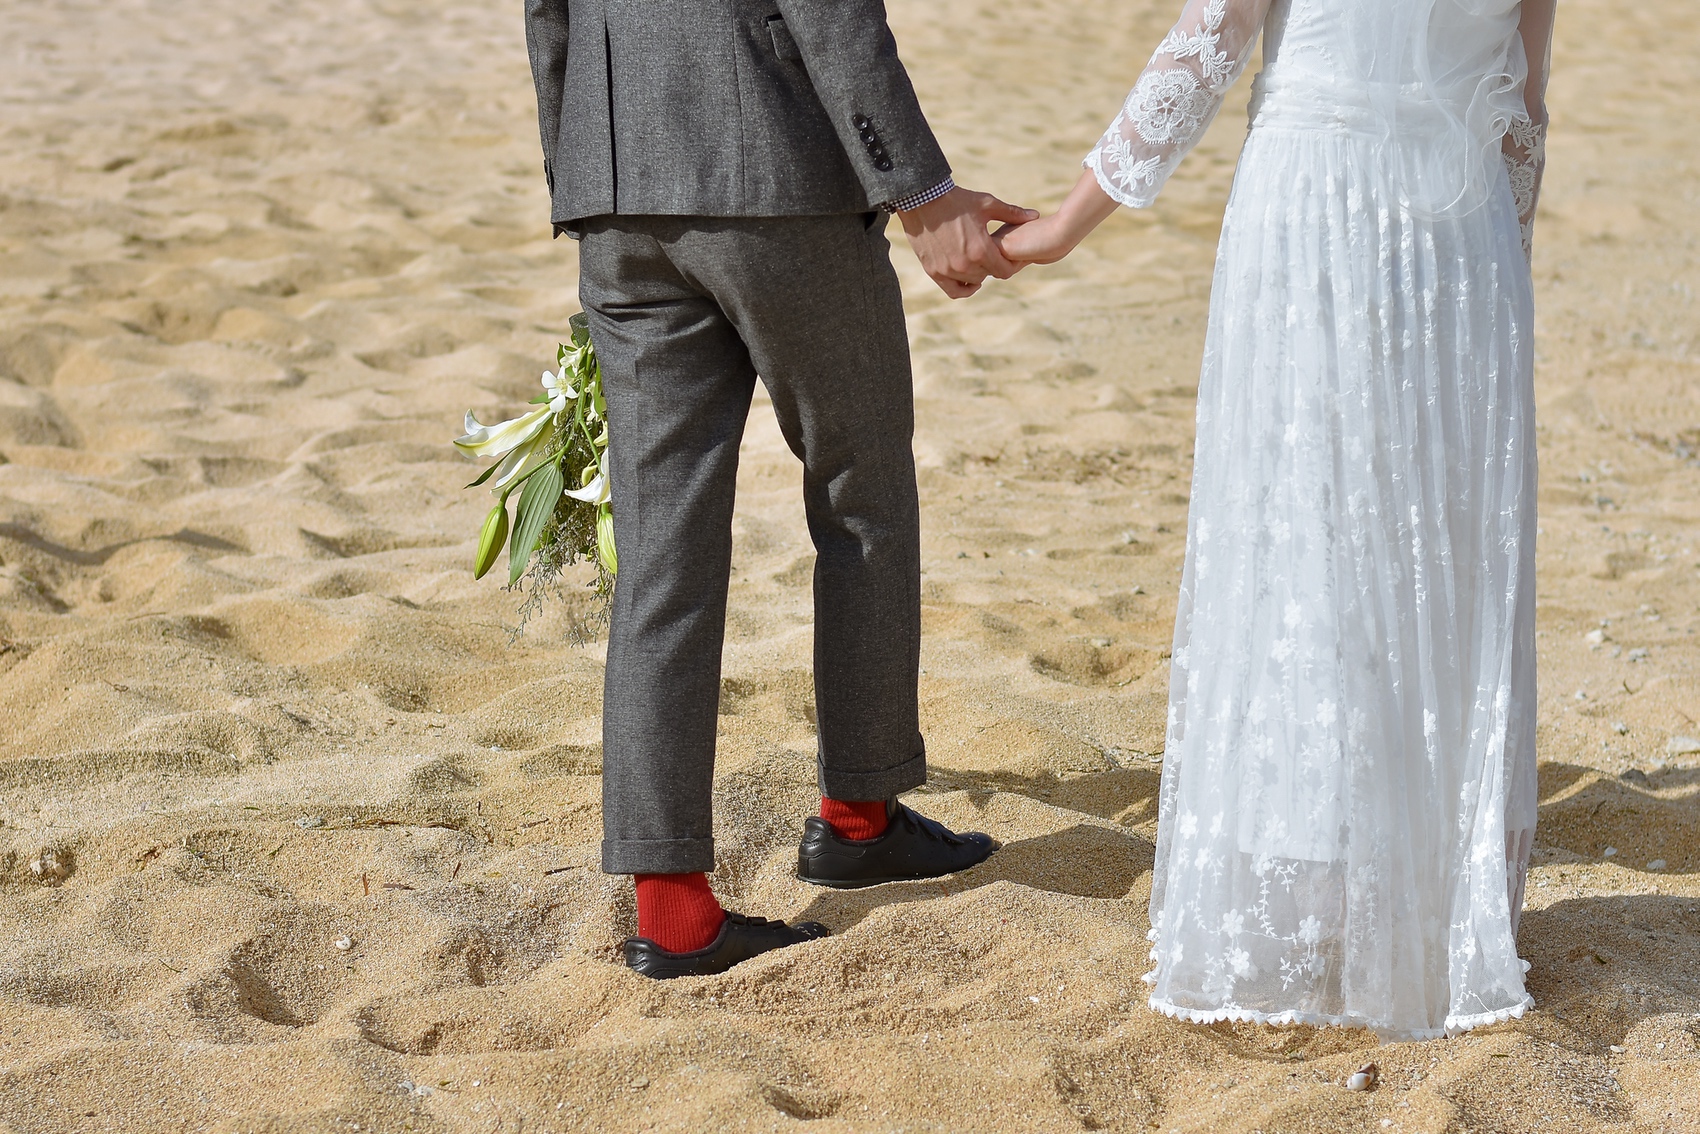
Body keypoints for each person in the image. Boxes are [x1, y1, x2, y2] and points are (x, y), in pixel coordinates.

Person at [998, 0, 1555, 1038]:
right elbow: (1524, 103)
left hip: (1316, 207)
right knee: (1430, 549)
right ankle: (1427, 899)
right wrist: (1500, 266)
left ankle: (1313, 888)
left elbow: (1213, 35)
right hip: (1462, 236)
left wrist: (1064, 223)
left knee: (1309, 537)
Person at [522, 0, 1023, 979]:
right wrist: (920, 188)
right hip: (774, 178)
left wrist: (579, 170)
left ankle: (671, 913)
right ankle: (858, 817)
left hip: (613, 188)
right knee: (862, 493)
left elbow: (549, 14)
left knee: (659, 550)